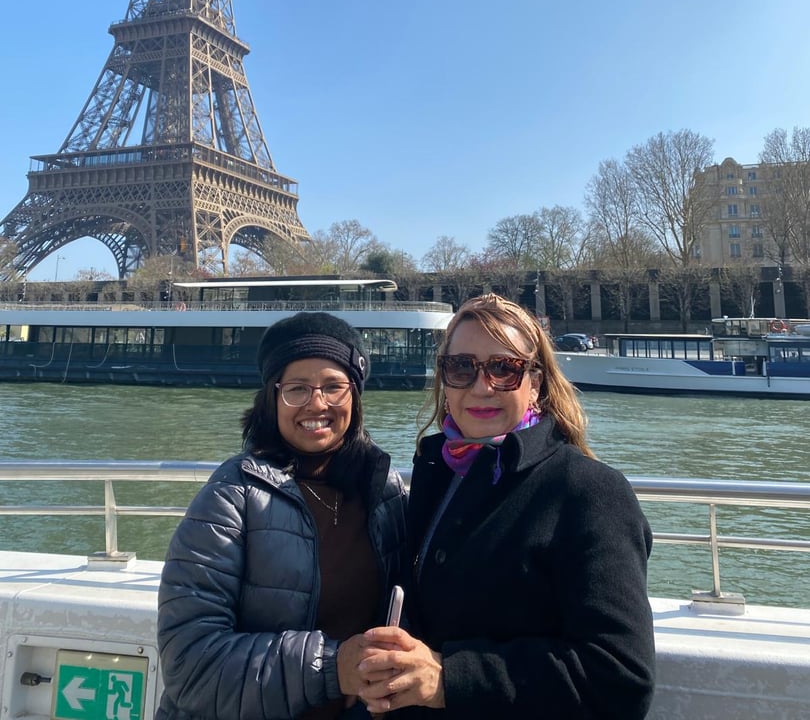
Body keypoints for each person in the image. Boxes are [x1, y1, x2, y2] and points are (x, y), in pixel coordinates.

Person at [356, 293, 655, 719]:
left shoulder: (589, 492)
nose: (481, 386)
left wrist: (448, 678)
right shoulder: (439, 473)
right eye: (461, 367)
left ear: (536, 383)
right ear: (444, 379)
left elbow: (620, 678)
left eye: (503, 368)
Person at [155, 312, 408, 720]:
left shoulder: (386, 492)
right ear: (272, 398)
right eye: (297, 389)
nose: (317, 403)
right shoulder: (230, 495)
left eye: (333, 387)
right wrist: (333, 667)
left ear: (355, 396)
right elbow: (188, 666)